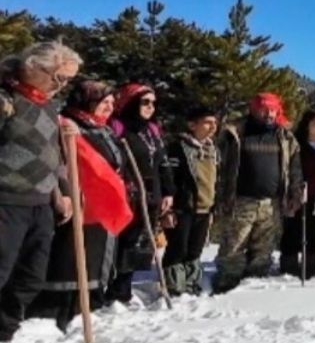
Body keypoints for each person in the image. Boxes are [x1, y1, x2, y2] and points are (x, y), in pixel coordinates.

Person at [0, 41, 79, 342]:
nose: (62, 86)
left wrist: (62, 193)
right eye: (60, 78)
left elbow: (53, 157)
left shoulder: (48, 104)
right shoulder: (6, 100)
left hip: (41, 204)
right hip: (7, 200)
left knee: (31, 277)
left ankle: (4, 332)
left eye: (69, 81)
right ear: (34, 67)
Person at [33, 80, 126, 330]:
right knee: (70, 254)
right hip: (73, 198)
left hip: (98, 203)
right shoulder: (67, 124)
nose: (109, 107)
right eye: (103, 102)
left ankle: (88, 303)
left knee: (94, 254)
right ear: (87, 101)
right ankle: (59, 310)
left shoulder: (102, 129)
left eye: (111, 103)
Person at [213, 93, 303, 294]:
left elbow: (295, 168)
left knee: (264, 250)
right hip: (241, 201)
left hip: (271, 203)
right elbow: (219, 165)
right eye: (264, 109)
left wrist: (295, 193)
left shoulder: (285, 136)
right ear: (253, 109)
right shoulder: (235, 133)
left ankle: (254, 288)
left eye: (273, 109)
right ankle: (226, 286)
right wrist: (219, 196)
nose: (269, 114)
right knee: (233, 246)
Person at [110, 83, 176, 304]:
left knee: (140, 241)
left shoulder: (152, 130)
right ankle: (116, 289)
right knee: (123, 241)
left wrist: (168, 191)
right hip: (126, 192)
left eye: (153, 103)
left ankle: (126, 286)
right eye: (145, 102)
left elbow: (163, 162)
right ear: (132, 102)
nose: (150, 107)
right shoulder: (118, 126)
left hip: (151, 192)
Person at [165, 105, 220, 295]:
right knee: (178, 249)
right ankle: (174, 286)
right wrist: (168, 209)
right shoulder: (178, 148)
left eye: (214, 122)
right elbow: (169, 178)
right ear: (192, 125)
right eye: (207, 122)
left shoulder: (212, 149)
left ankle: (191, 283)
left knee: (195, 250)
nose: (213, 127)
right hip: (184, 207)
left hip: (205, 208)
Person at [280, 110, 315, 278]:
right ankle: (289, 266)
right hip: (297, 192)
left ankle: (311, 268)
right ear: (307, 124)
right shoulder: (297, 144)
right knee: (292, 230)